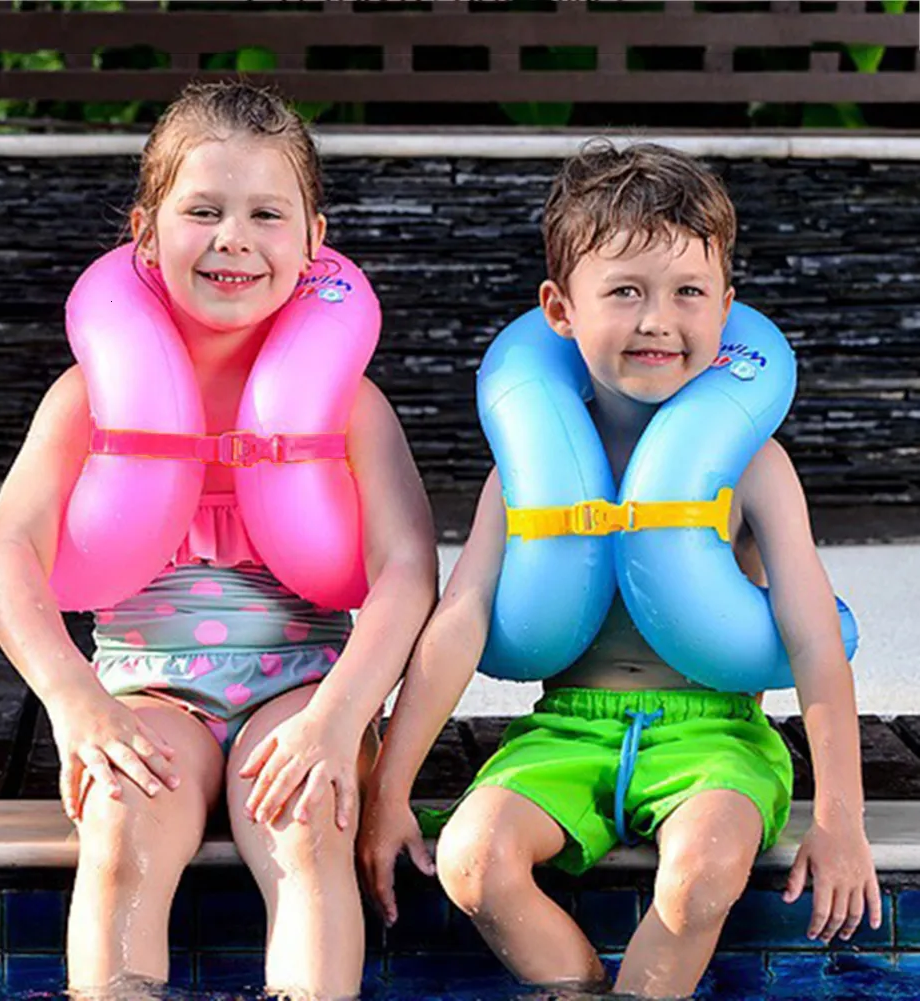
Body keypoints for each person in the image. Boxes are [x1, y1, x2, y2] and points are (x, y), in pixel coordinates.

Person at [358, 141, 880, 999]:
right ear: (559, 310)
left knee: (700, 874)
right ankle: (576, 986)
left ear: (725, 310)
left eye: (687, 293)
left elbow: (812, 630)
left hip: (715, 739)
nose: (656, 321)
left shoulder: (751, 464)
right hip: (568, 730)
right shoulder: (526, 467)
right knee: (473, 859)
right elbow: (460, 619)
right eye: (625, 292)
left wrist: (839, 820)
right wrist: (388, 793)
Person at [0, 80, 437, 999]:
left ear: (313, 240)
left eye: (267, 213)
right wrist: (73, 700)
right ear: (145, 233)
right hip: (151, 694)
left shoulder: (347, 405)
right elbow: (7, 557)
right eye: (203, 210)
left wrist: (341, 717)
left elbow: (406, 570)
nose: (234, 238)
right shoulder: (90, 398)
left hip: (304, 689)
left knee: (309, 821)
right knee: (119, 818)